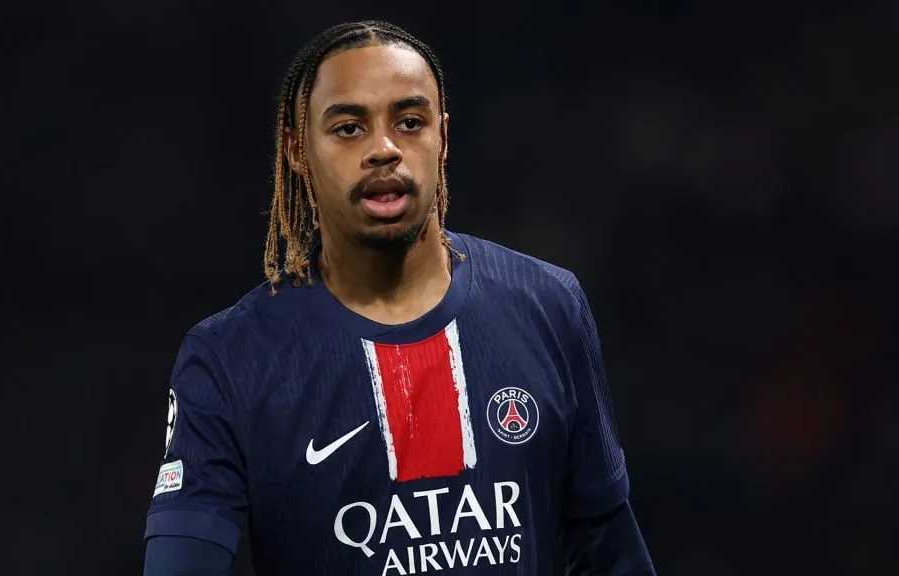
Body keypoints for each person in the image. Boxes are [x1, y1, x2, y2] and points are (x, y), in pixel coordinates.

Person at [143, 20, 654, 576]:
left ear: (443, 136)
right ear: (296, 148)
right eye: (348, 128)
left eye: (410, 122)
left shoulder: (548, 305)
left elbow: (608, 550)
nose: (384, 149)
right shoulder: (229, 357)